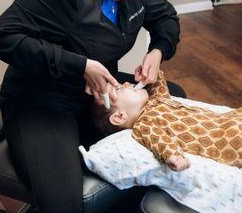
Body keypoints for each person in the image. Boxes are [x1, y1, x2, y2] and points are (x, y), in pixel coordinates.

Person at [0, 0, 184, 213]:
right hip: (41, 97)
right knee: (61, 206)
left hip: (93, 93)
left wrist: (157, 51)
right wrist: (79, 65)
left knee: (174, 98)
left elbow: (166, 19)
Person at [93, 70, 242, 172]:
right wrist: (173, 156)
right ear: (120, 117)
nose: (125, 83)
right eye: (119, 89)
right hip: (227, 139)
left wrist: (148, 72)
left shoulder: (157, 99)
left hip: (229, 120)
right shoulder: (144, 124)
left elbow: (157, 79)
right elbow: (159, 140)